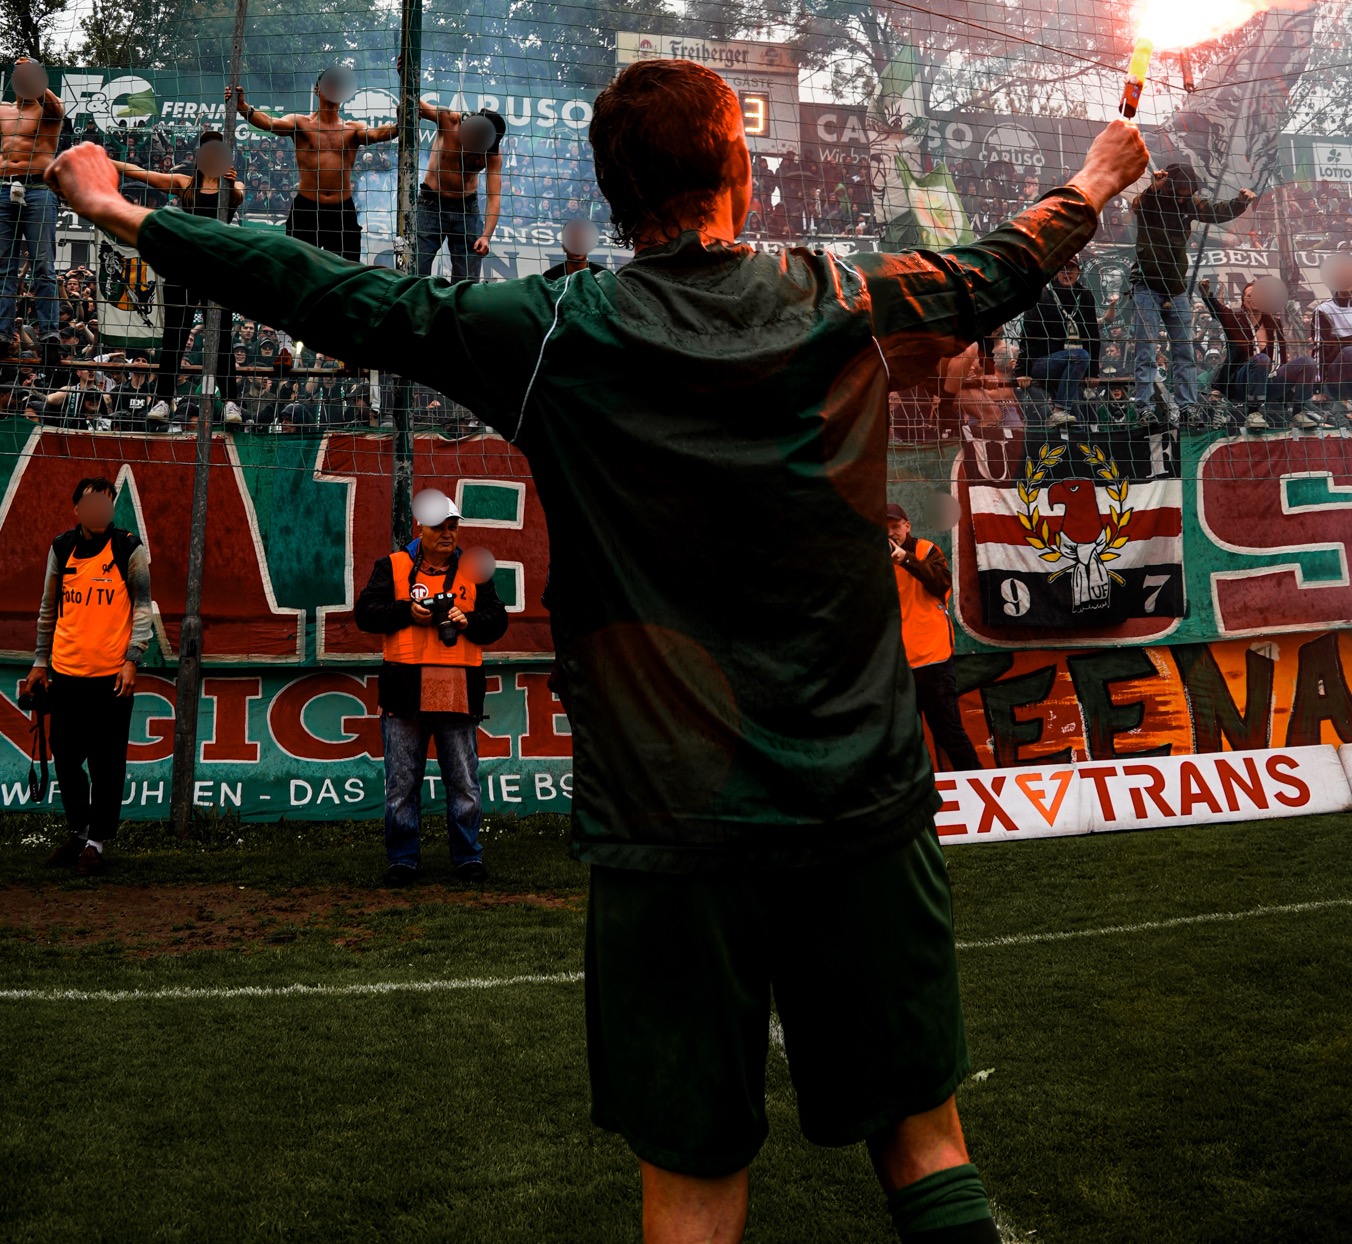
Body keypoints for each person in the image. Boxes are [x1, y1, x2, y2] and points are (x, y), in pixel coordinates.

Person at [46, 61, 1147, 1244]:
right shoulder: (842, 296)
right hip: (858, 802)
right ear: (736, 166)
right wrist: (1092, 176)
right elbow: (995, 267)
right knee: (924, 1141)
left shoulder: (555, 330)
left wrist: (126, 213)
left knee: (689, 1183)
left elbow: (339, 296)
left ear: (613, 194)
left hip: (669, 823)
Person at [353, 487, 508, 885]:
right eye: (439, 526)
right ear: (421, 526)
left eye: (453, 526)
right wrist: (408, 612)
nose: (448, 533)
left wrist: (467, 621)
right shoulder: (392, 566)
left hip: (457, 690)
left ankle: (468, 858)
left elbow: (497, 622)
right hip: (405, 692)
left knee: (464, 782)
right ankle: (403, 860)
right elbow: (366, 614)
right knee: (402, 783)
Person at [22, 477, 152, 876]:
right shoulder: (62, 547)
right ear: (77, 509)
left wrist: (133, 659)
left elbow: (144, 608)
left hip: (111, 678)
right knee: (64, 759)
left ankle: (96, 842)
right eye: (93, 504)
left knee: (107, 764)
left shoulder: (128, 547)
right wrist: (40, 662)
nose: (101, 511)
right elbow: (48, 608)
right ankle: (78, 831)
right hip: (65, 674)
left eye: (107, 504)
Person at [108, 134, 246, 428]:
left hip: (217, 269)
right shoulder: (186, 184)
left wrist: (230, 183)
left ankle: (231, 401)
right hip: (183, 266)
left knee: (221, 336)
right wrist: (109, 162)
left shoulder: (233, 185)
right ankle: (164, 398)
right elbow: (144, 174)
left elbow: (237, 198)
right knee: (174, 336)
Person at [1130, 161, 1254, 424]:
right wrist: (1155, 187)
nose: (1185, 194)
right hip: (1146, 284)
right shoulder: (1152, 202)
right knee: (1146, 350)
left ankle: (1187, 407)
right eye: (1181, 189)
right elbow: (1138, 205)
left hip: (1176, 288)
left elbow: (1216, 210)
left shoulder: (1190, 205)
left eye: (1189, 189)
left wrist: (1240, 203)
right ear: (1171, 185)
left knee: (1185, 351)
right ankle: (1144, 407)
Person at [233, 66, 397, 260]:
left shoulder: (353, 129)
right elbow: (270, 123)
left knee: (345, 269)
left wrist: (402, 123)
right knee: (298, 266)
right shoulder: (300, 123)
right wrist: (244, 108)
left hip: (341, 210)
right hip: (306, 209)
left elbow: (378, 133)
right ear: (317, 90)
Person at [888, 506, 978, 772]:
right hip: (898, 666)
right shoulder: (874, 560)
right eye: (885, 527)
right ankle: (917, 796)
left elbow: (941, 583)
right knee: (904, 740)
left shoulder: (926, 550)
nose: (891, 532)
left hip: (934, 661)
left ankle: (979, 788)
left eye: (895, 526)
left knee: (949, 734)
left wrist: (905, 559)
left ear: (907, 526)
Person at [0, 59, 66, 366]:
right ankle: (1, 334)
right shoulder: (2, 109)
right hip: (2, 189)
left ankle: (50, 334)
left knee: (43, 265)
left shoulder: (47, 110)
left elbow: (59, 110)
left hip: (39, 189)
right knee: (3, 268)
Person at [1198, 274, 1320, 431]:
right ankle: (1253, 414)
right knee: (1262, 359)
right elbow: (1219, 311)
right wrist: (1207, 295)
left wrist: (1286, 394)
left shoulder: (1274, 324)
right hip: (1243, 383)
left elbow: (1281, 358)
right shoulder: (1236, 320)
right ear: (1244, 301)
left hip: (1270, 381)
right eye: (1250, 296)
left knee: (1307, 362)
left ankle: (1298, 413)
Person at [415, 98, 506, 281]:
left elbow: (494, 196)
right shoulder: (449, 120)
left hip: (466, 209)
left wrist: (486, 236)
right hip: (430, 203)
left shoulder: (492, 155)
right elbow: (415, 104)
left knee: (467, 279)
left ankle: (458, 309)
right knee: (416, 267)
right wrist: (406, 75)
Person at [1015, 252, 1101, 426]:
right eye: (1062, 268)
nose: (1066, 273)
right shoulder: (1041, 294)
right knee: (1080, 356)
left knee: (1078, 422)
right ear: (1054, 271)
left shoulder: (1085, 296)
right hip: (1043, 363)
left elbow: (1092, 335)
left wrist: (1093, 372)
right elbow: (1027, 333)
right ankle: (1060, 409)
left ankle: (1063, 425)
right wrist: (1022, 370)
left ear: (1079, 271)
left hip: (1071, 367)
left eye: (1071, 268)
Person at [1311, 255, 1352, 409]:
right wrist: (1317, 387)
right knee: (1349, 352)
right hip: (1336, 376)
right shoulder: (1324, 310)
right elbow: (1319, 349)